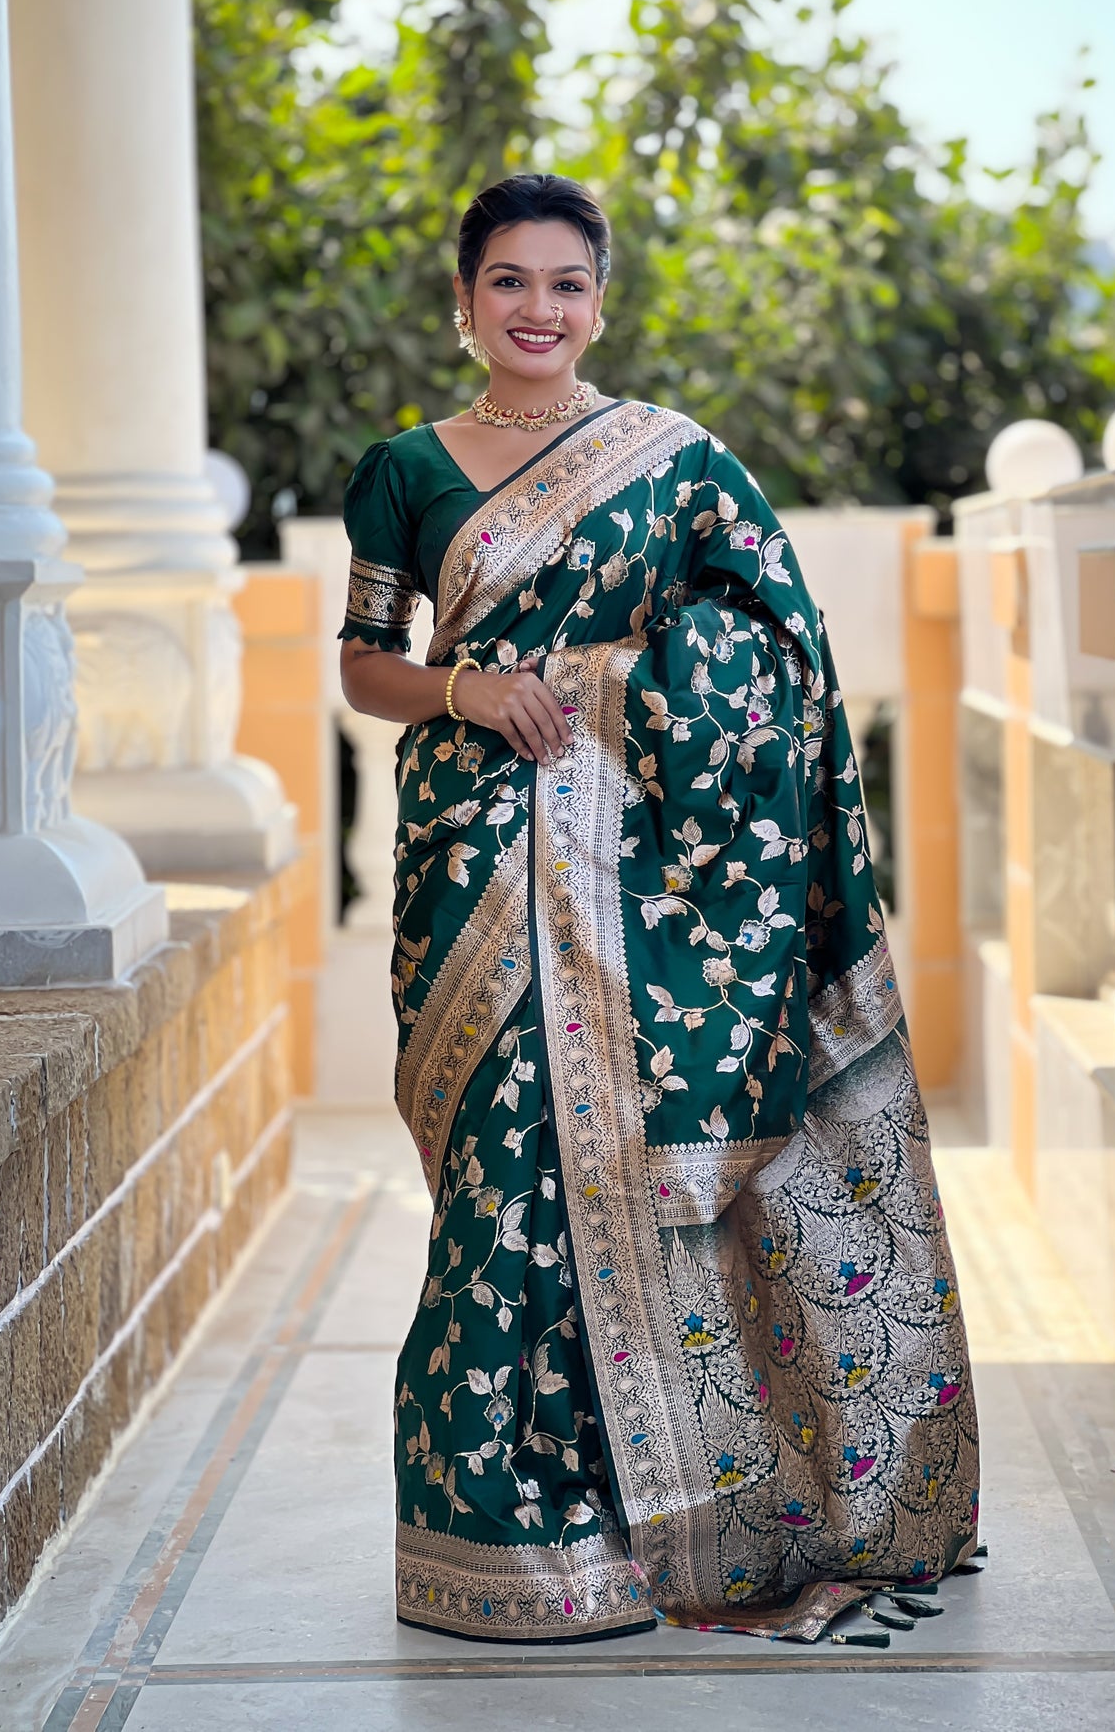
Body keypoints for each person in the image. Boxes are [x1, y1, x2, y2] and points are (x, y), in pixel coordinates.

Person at [339, 173, 979, 1644]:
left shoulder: (678, 463)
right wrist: (466, 688)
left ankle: (663, 1519)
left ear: (600, 303)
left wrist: (611, 689)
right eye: (508, 282)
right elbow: (365, 665)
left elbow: (778, 649)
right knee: (496, 1191)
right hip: (471, 864)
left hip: (646, 879)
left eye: (565, 285)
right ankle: (494, 1530)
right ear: (463, 300)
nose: (537, 311)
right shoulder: (402, 468)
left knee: (619, 1177)